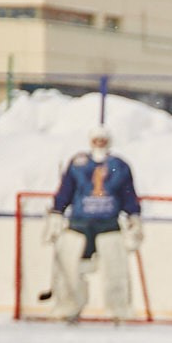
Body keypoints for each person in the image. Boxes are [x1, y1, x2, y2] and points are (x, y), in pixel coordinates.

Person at [40, 126, 142, 322]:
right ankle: (69, 307)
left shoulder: (119, 165)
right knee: (69, 270)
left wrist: (133, 215)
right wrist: (57, 211)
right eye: (96, 139)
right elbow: (66, 190)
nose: (99, 143)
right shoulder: (77, 163)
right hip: (79, 224)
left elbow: (128, 193)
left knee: (116, 270)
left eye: (103, 139)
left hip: (108, 224)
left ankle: (118, 310)